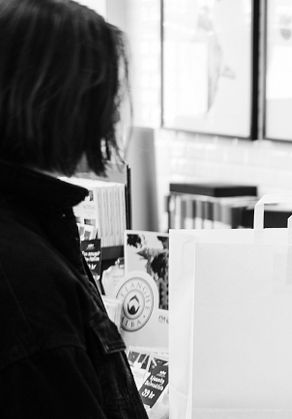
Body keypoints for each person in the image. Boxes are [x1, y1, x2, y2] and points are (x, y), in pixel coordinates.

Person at [0, 0, 148, 417]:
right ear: (59, 102)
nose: (114, 112)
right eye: (105, 96)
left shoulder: (31, 231)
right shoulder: (24, 276)